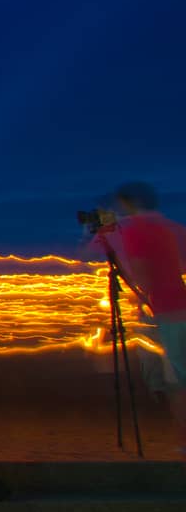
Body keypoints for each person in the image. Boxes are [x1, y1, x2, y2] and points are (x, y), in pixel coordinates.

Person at [88, 181, 186, 455]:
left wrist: (129, 281)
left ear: (128, 203)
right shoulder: (170, 228)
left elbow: (143, 276)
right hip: (180, 303)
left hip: (165, 310)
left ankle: (184, 440)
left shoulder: (135, 233)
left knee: (177, 381)